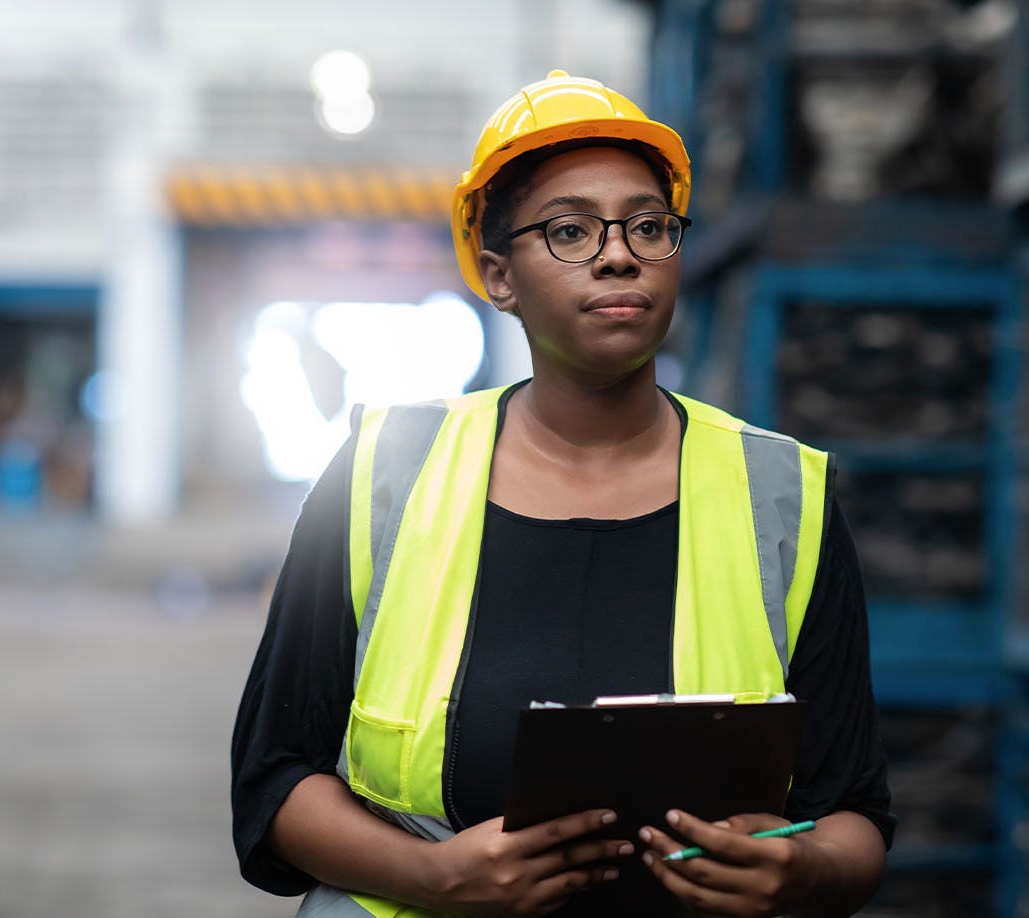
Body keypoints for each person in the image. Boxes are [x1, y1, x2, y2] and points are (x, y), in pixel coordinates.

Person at [230, 71, 895, 917]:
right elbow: (275, 777)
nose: (619, 254)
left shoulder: (783, 496)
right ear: (499, 275)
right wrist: (435, 879)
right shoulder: (382, 474)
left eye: (648, 226)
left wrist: (806, 873)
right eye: (571, 230)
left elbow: (854, 812)